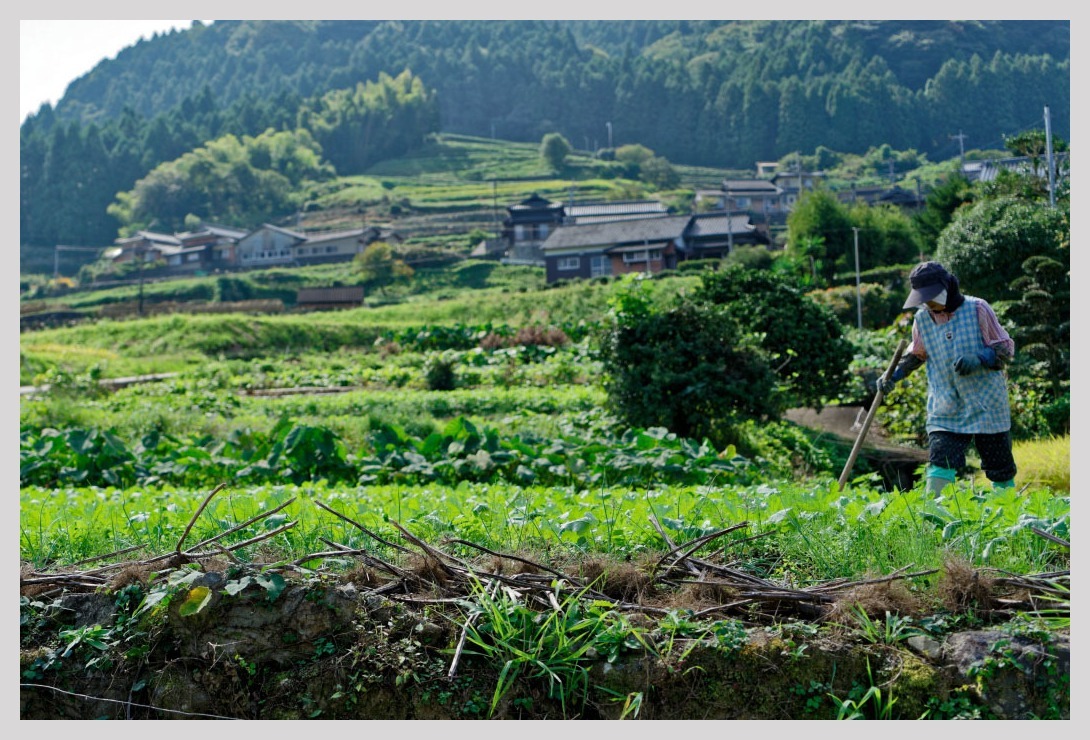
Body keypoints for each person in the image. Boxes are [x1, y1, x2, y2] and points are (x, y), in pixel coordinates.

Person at [877, 261, 1017, 496]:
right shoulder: (922, 319)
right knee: (941, 459)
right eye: (923, 298)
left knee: (999, 465)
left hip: (986, 402)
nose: (927, 303)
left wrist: (981, 357)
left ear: (947, 287)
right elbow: (917, 354)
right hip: (946, 404)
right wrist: (894, 374)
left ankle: (1007, 514)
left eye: (931, 296)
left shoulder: (978, 309)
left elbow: (1005, 348)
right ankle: (935, 515)